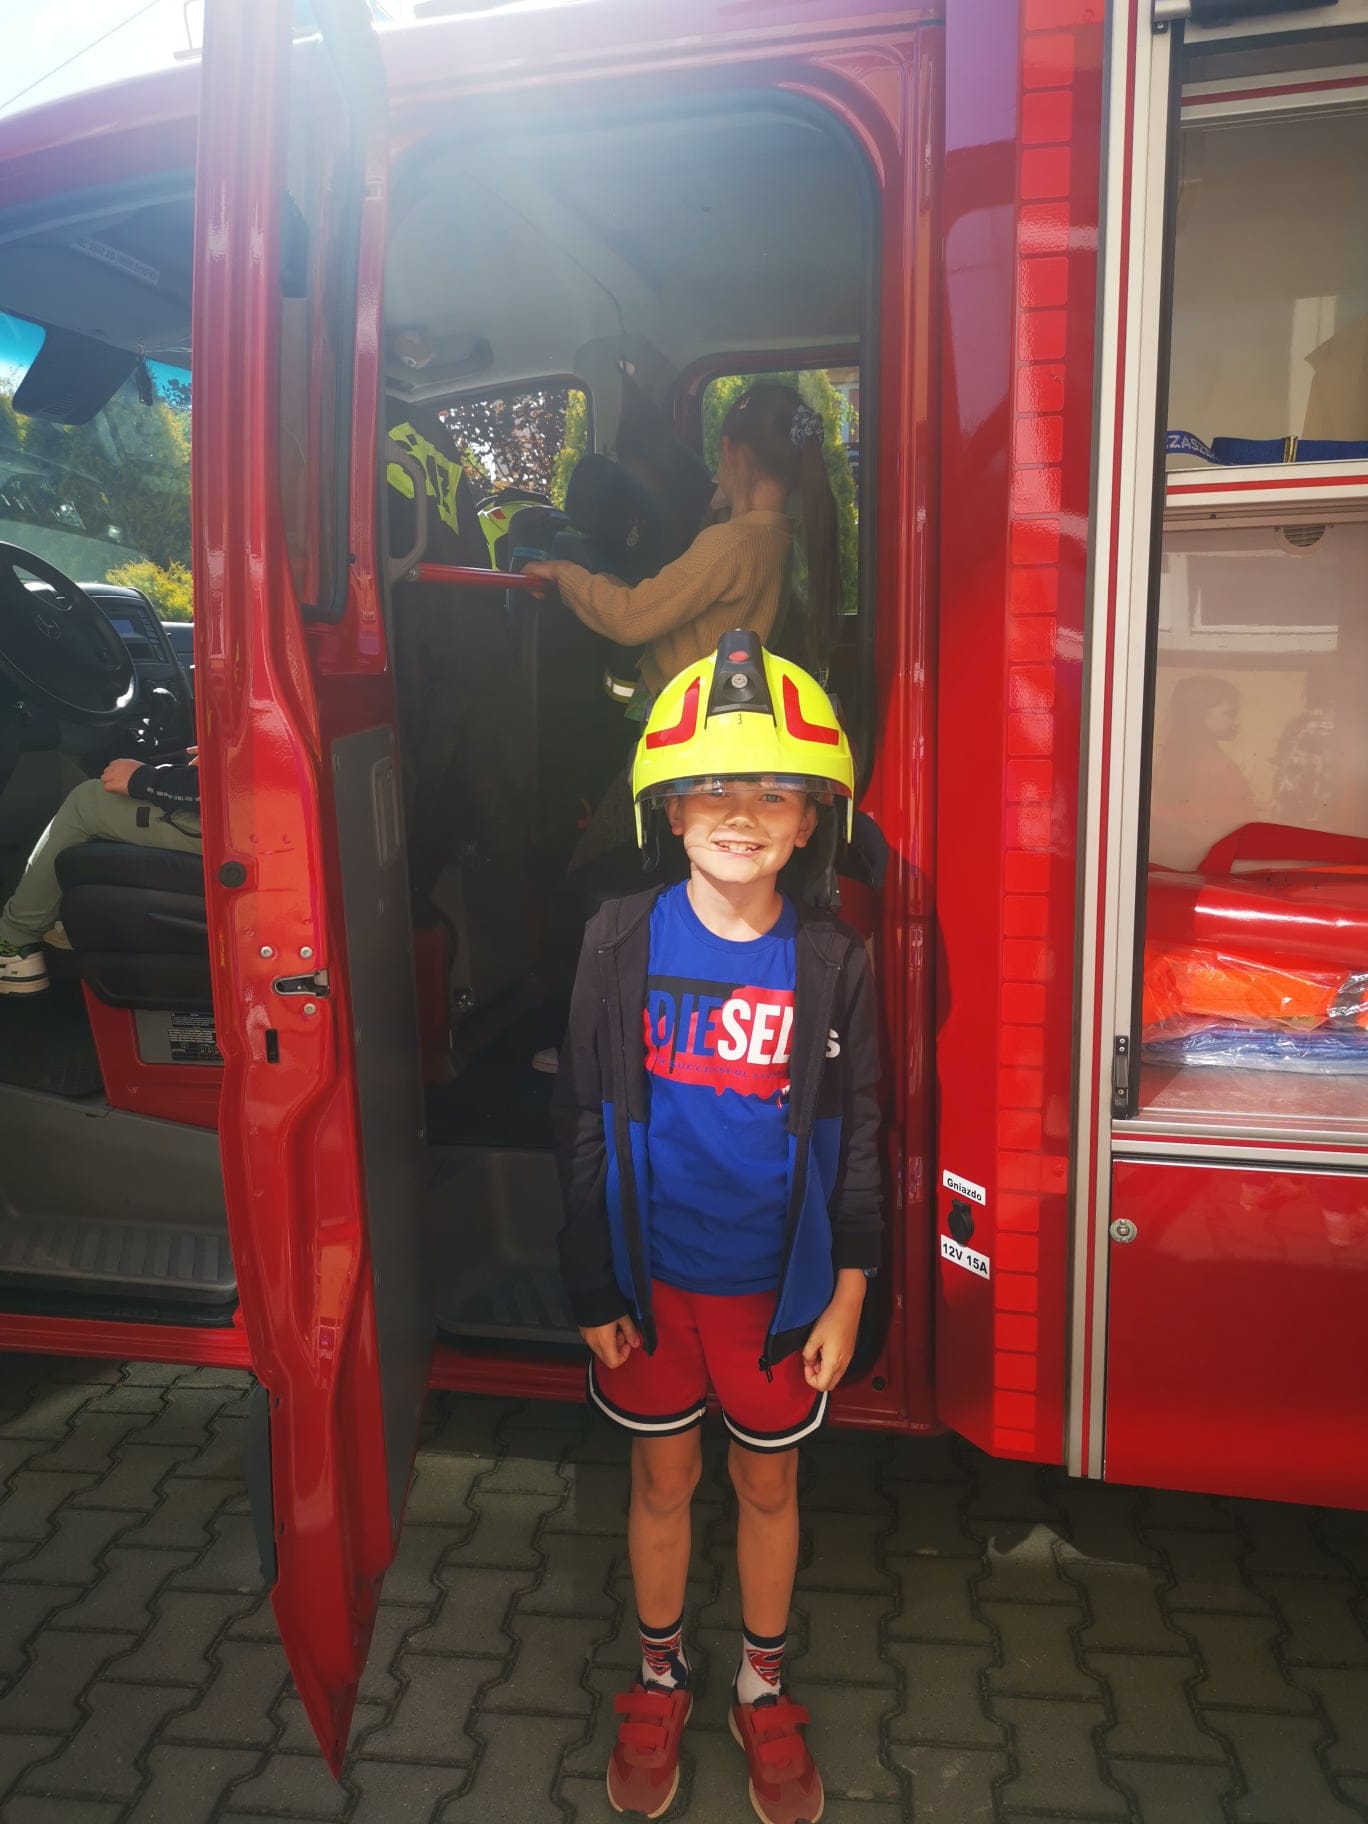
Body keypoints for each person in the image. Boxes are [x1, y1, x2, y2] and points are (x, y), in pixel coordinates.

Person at [552, 632, 882, 1822]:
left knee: (766, 1488)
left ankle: (759, 1685)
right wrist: (592, 1284)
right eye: (714, 790)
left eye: (773, 793)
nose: (741, 814)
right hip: (655, 1293)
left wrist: (849, 1290)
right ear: (670, 808)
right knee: (661, 1480)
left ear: (811, 820)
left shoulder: (834, 959)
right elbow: (581, 1119)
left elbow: (858, 1132)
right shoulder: (617, 940)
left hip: (774, 1300)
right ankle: (658, 1678)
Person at [523, 381, 841, 696]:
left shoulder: (728, 544)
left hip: (682, 709)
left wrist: (562, 572)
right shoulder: (777, 539)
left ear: (729, 451)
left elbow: (628, 618)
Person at [0, 753, 200, 995]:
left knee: (86, 801)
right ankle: (60, 919)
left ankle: (14, 942)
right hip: (232, 822)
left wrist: (147, 780)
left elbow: (237, 788)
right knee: (88, 788)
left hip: (228, 829)